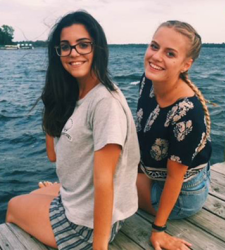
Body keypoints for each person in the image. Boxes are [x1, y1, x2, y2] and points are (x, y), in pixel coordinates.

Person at [6, 11, 140, 250]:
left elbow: (104, 180)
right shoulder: (76, 94)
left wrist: (99, 247)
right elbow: (53, 156)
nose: (73, 53)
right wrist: (52, 100)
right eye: (65, 47)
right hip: (76, 202)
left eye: (83, 45)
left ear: (98, 48)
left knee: (15, 206)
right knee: (36, 194)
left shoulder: (104, 103)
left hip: (85, 228)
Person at [136, 20, 212, 250]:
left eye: (170, 53)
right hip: (153, 172)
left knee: (113, 189)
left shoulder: (188, 114)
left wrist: (158, 231)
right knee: (107, 170)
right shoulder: (148, 80)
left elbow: (175, 178)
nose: (156, 57)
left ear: (185, 64)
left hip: (183, 196)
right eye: (154, 46)